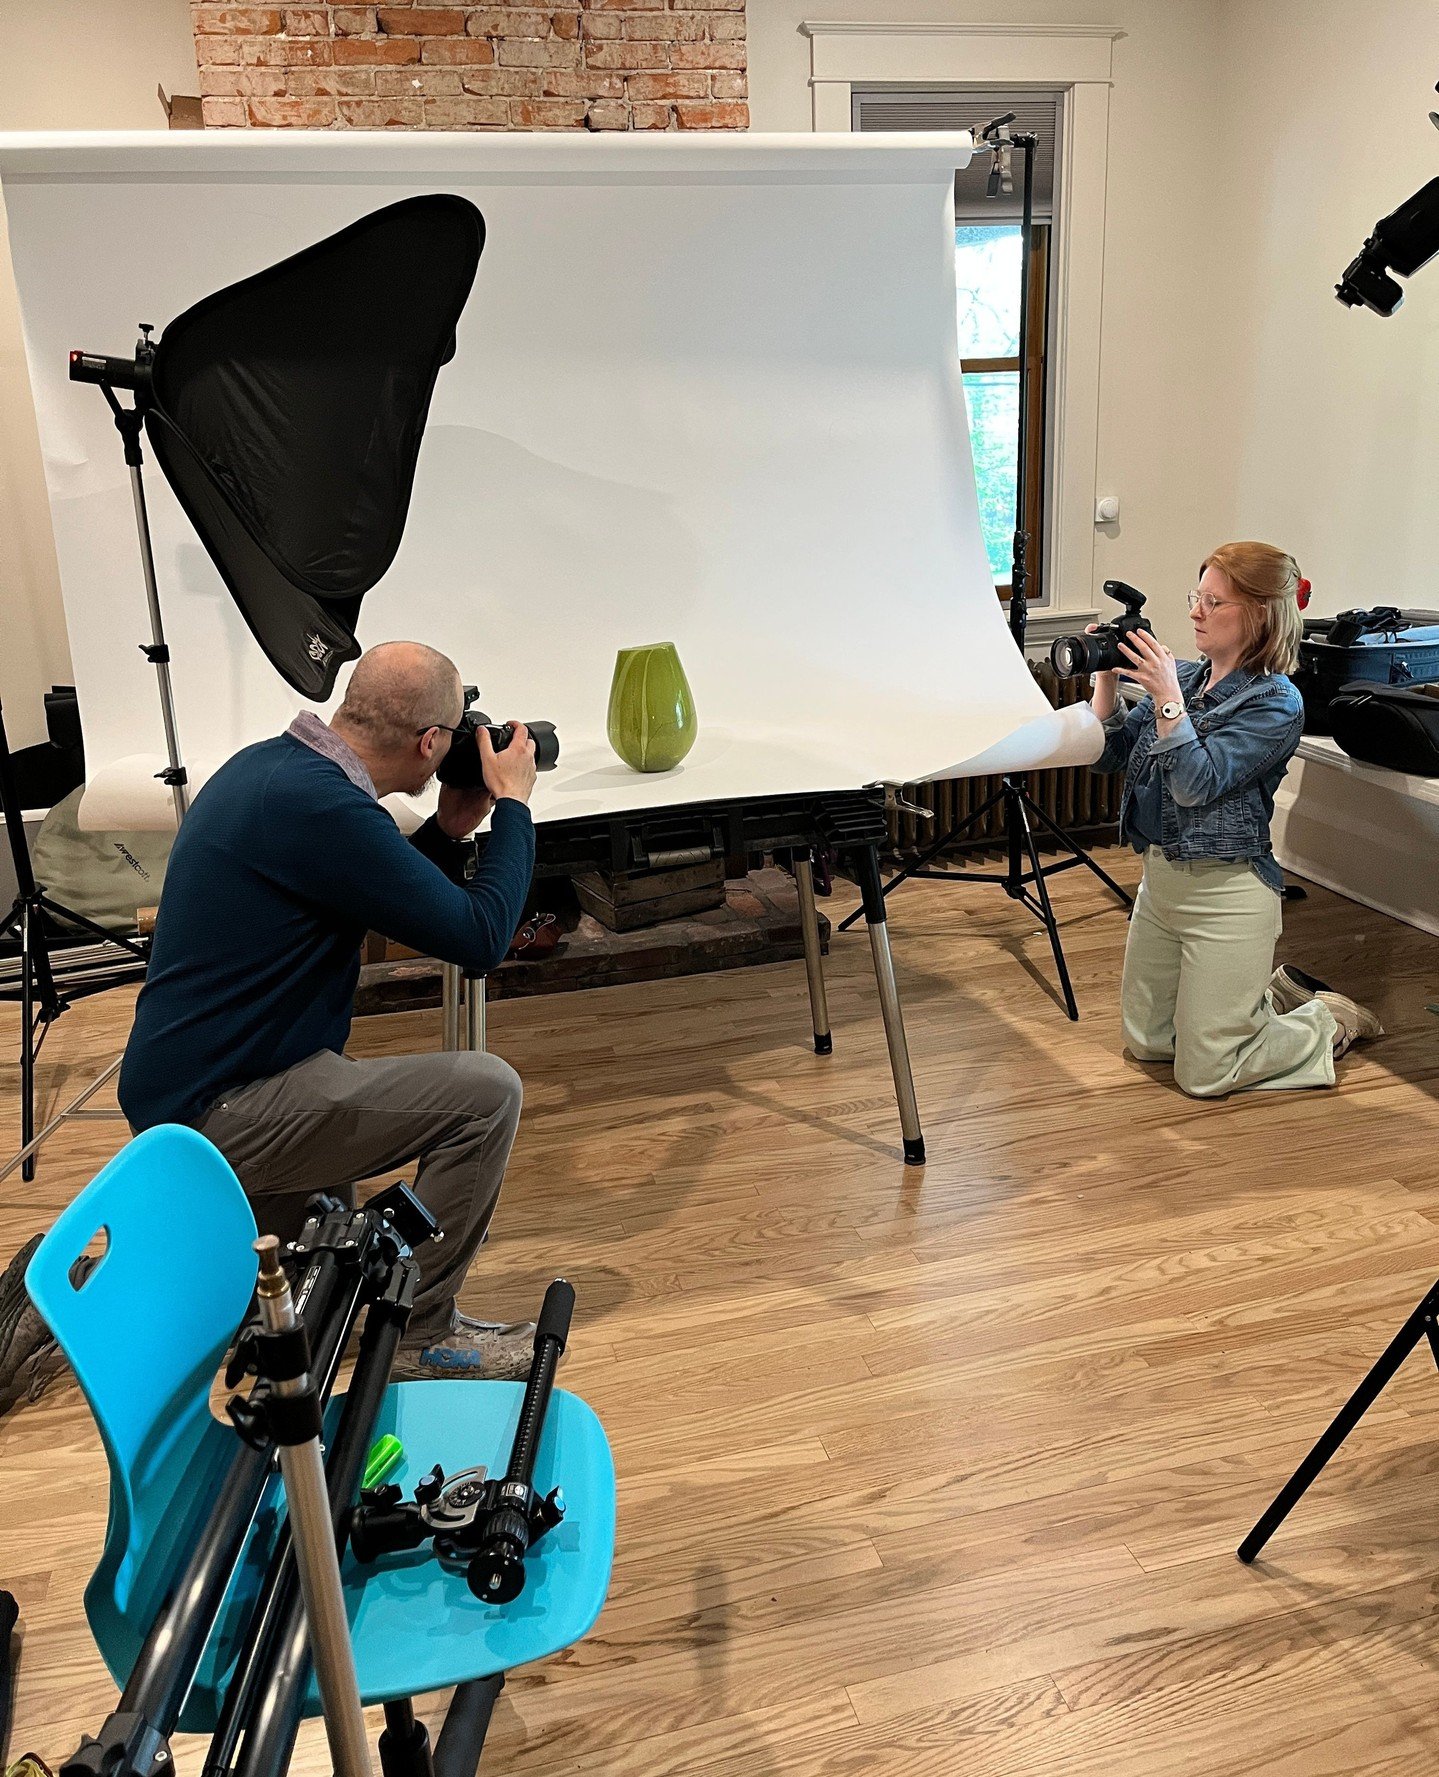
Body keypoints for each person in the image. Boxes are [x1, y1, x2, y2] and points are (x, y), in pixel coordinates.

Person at [113, 640, 541, 1379]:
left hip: (207, 1082)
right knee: (487, 1095)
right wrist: (513, 812)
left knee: (310, 1297)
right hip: (225, 1105)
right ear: (430, 743)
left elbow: (385, 891)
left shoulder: (276, 770)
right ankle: (420, 1334)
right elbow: (478, 939)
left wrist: (447, 832)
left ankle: (286, 1300)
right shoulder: (321, 805)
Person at [1090, 541, 1382, 1097]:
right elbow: (1108, 756)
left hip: (1228, 896)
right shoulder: (1185, 678)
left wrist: (1167, 701)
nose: (1196, 611)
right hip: (1160, 888)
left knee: (1205, 1074)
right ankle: (1257, 999)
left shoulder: (1276, 703)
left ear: (1260, 614)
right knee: (1147, 1042)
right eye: (1196, 595)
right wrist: (1106, 675)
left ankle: (1327, 1020)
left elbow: (1196, 785)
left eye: (1214, 601)